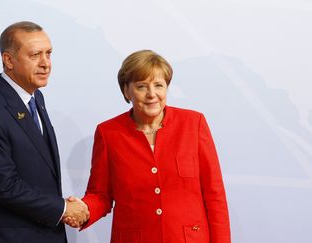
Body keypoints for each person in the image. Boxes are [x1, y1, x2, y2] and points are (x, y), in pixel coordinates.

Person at [66, 50, 231, 242]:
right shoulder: (108, 133)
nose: (152, 94)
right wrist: (84, 209)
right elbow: (100, 194)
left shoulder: (194, 124)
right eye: (142, 86)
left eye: (159, 85)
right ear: (127, 91)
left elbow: (214, 195)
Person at [0, 21, 88, 243]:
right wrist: (62, 208)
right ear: (9, 60)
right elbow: (3, 186)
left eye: (48, 54)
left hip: (41, 233)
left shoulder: (35, 98)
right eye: (35, 55)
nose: (46, 64)